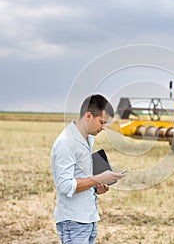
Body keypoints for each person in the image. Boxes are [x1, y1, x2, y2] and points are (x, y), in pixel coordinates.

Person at [51, 94, 125, 244]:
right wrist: (99, 178)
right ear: (88, 116)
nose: (104, 128)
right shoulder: (65, 143)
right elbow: (65, 186)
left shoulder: (88, 138)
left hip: (89, 218)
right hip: (73, 222)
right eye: (102, 122)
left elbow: (81, 176)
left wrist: (96, 187)